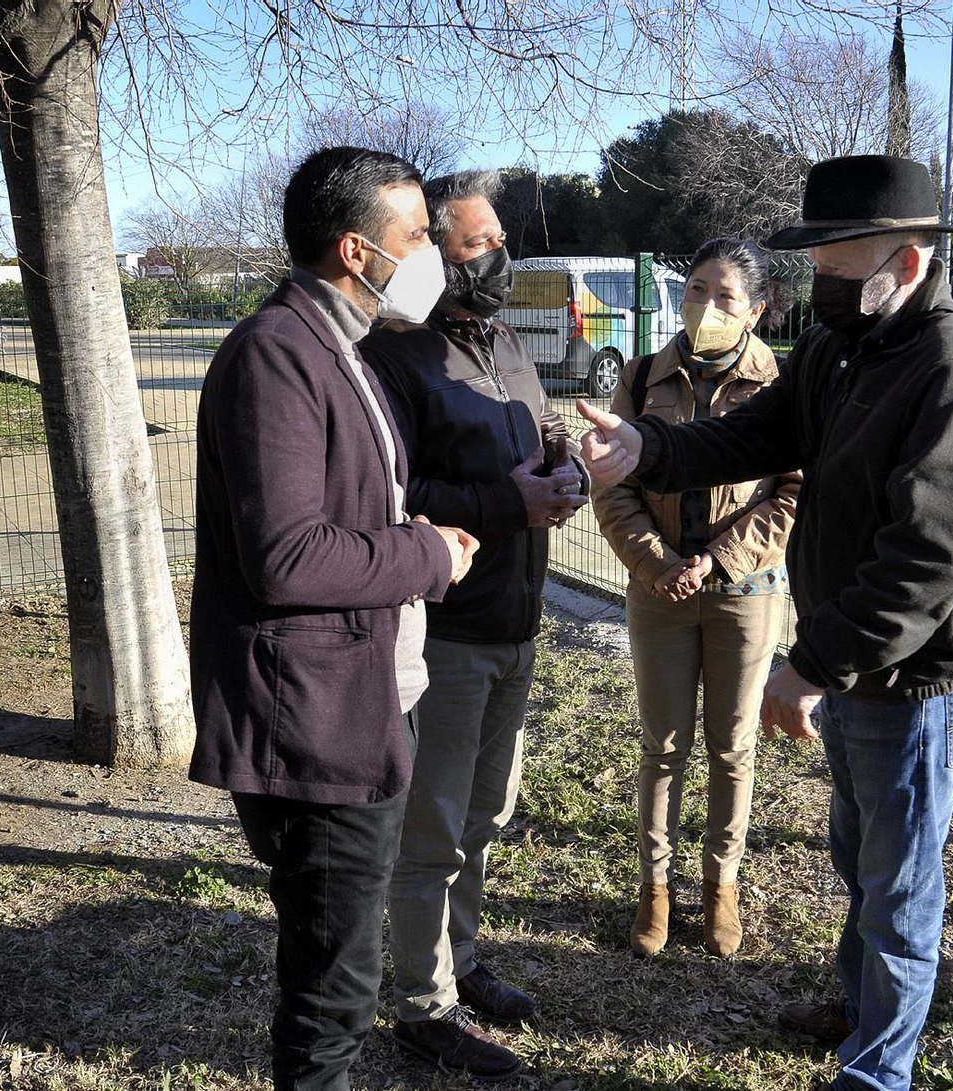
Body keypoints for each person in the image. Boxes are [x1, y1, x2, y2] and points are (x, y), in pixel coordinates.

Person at [575, 155, 953, 1091]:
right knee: (861, 860)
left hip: (917, 679)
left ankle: (877, 1071)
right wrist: (646, 445)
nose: (819, 282)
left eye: (834, 266)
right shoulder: (841, 347)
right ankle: (861, 1011)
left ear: (904, 265)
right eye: (815, 263)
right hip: (858, 667)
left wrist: (810, 663)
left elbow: (924, 564)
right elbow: (753, 434)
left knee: (899, 889)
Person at [188, 146, 479, 1091]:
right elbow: (286, 555)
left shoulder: (339, 346)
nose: (433, 252)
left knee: (341, 966)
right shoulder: (275, 354)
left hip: (359, 699)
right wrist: (426, 556)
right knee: (334, 986)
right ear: (357, 250)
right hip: (315, 723)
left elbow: (349, 509)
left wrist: (420, 530)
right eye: (418, 235)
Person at [360, 169, 588, 1080]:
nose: (499, 255)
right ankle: (423, 1005)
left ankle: (461, 960)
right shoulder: (397, 356)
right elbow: (394, 491)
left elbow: (531, 429)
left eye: (500, 239)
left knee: (485, 816)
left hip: (516, 623)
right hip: (447, 629)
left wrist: (561, 456)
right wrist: (507, 500)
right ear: (438, 258)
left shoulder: (504, 338)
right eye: (476, 242)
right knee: (434, 830)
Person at [589, 237, 799, 960]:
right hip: (660, 592)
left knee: (732, 746)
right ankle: (654, 888)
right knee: (663, 744)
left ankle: (720, 885)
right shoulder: (643, 376)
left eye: (726, 296)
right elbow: (613, 483)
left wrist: (719, 559)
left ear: (757, 310)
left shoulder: (779, 386)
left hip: (746, 591)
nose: (707, 307)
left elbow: (792, 492)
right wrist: (657, 562)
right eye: (696, 291)